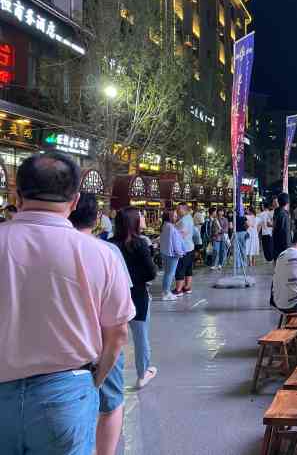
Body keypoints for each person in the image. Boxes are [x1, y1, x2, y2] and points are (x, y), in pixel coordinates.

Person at [0, 152, 134, 455]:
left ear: (16, 195)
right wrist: (95, 379)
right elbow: (118, 333)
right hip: (65, 394)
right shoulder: (99, 254)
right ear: (74, 201)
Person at [69, 194, 132, 455]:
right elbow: (120, 320)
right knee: (111, 404)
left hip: (66, 348)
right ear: (96, 219)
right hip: (102, 344)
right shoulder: (107, 251)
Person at [111, 208, 159, 391]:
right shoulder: (140, 244)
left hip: (115, 297)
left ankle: (111, 373)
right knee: (141, 337)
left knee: (113, 337)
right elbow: (151, 273)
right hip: (137, 296)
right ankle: (142, 374)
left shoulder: (109, 244)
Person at [160, 209, 186, 301]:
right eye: (174, 216)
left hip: (165, 252)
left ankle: (165, 291)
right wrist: (180, 252)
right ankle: (166, 293)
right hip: (172, 254)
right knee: (170, 274)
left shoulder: (165, 225)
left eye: (176, 216)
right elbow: (175, 242)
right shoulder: (170, 227)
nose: (176, 217)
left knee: (167, 273)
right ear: (169, 217)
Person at [174, 202, 195, 296]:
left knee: (180, 269)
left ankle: (178, 290)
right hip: (190, 247)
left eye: (179, 209)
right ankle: (187, 287)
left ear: (184, 209)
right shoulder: (189, 218)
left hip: (184, 248)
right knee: (188, 269)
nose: (177, 211)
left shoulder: (183, 221)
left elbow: (181, 234)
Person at [273, 192, 292, 261]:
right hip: (283, 246)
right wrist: (288, 248)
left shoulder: (277, 212)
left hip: (276, 243)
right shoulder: (284, 214)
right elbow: (285, 231)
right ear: (287, 202)